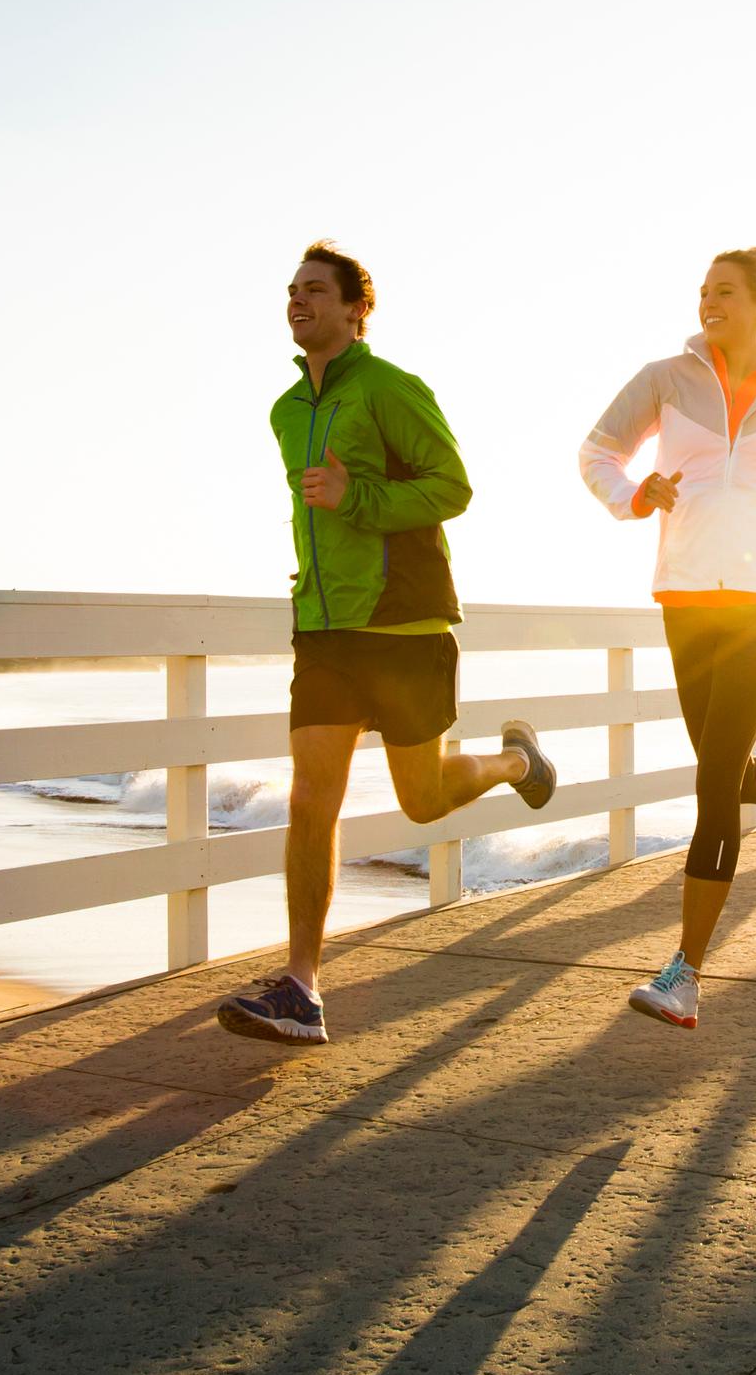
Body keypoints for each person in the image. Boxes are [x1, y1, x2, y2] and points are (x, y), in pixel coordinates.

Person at [217, 240, 556, 1046]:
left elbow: (452, 487)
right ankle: (301, 986)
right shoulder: (286, 410)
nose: (297, 302)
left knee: (422, 798)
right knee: (310, 802)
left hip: (404, 627)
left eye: (313, 291)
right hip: (325, 632)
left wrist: (354, 494)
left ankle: (516, 762)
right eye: (291, 291)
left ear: (355, 309)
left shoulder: (392, 390)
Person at [579, 244, 756, 1030]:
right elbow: (597, 450)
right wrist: (636, 494)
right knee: (721, 769)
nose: (710, 304)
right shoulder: (665, 380)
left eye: (726, 292)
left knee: (714, 783)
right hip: (685, 590)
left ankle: (685, 972)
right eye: (704, 292)